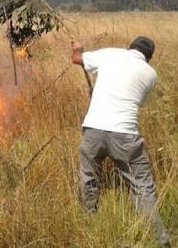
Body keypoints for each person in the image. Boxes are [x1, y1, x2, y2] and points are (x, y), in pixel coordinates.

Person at [71, 36, 170, 247]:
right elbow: (135, 101)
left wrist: (78, 48)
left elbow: (77, 59)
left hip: (94, 129)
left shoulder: (111, 54)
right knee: (142, 186)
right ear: (148, 57)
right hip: (125, 135)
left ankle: (89, 220)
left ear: (130, 47)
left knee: (90, 176)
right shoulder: (151, 74)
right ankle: (158, 239)